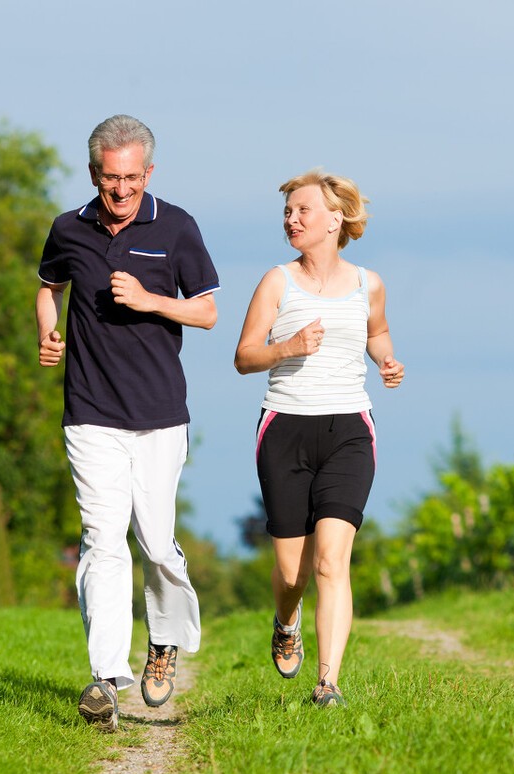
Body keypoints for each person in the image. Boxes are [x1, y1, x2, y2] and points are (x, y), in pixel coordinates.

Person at [36, 114, 220, 732]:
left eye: (133, 179)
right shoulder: (68, 228)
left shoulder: (176, 226)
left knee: (156, 543)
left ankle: (164, 642)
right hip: (90, 413)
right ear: (94, 174)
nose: (121, 191)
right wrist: (48, 330)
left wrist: (149, 301)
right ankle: (105, 678)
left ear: (149, 173)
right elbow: (46, 285)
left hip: (160, 415)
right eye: (111, 179)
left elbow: (209, 313)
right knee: (101, 538)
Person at [234, 169, 404, 707]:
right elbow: (244, 356)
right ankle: (287, 621)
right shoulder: (277, 282)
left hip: (349, 429)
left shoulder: (368, 283)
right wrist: (289, 347)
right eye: (287, 212)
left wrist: (386, 360)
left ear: (336, 219)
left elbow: (376, 332)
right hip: (285, 427)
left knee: (332, 559)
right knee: (293, 571)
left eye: (302, 210)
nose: (291, 219)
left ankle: (327, 683)